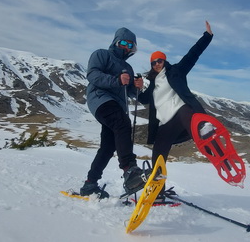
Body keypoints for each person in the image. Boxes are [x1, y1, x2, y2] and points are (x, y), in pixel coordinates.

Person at [138, 21, 214, 200]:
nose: (157, 64)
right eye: (154, 62)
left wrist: (207, 36)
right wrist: (136, 88)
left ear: (164, 61)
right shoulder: (152, 83)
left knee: (185, 109)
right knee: (158, 156)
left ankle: (206, 135)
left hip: (182, 115)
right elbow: (143, 100)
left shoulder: (177, 71)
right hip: (166, 123)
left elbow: (193, 54)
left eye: (160, 60)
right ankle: (158, 191)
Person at [81, 27, 146, 198]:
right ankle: (129, 169)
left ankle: (90, 183)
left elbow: (130, 92)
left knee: (108, 148)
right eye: (123, 42)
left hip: (117, 104)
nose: (126, 47)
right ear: (116, 41)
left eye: (130, 45)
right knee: (122, 122)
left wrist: (137, 87)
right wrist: (116, 79)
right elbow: (93, 75)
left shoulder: (128, 68)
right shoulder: (102, 54)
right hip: (100, 98)